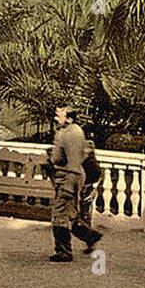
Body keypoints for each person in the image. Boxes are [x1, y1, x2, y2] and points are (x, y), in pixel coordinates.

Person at [47, 105, 102, 262]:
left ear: (69, 118)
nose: (57, 119)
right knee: (71, 213)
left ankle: (63, 251)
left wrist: (51, 160)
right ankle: (90, 236)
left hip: (66, 178)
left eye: (60, 116)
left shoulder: (62, 135)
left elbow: (57, 158)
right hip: (79, 176)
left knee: (59, 214)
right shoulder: (79, 131)